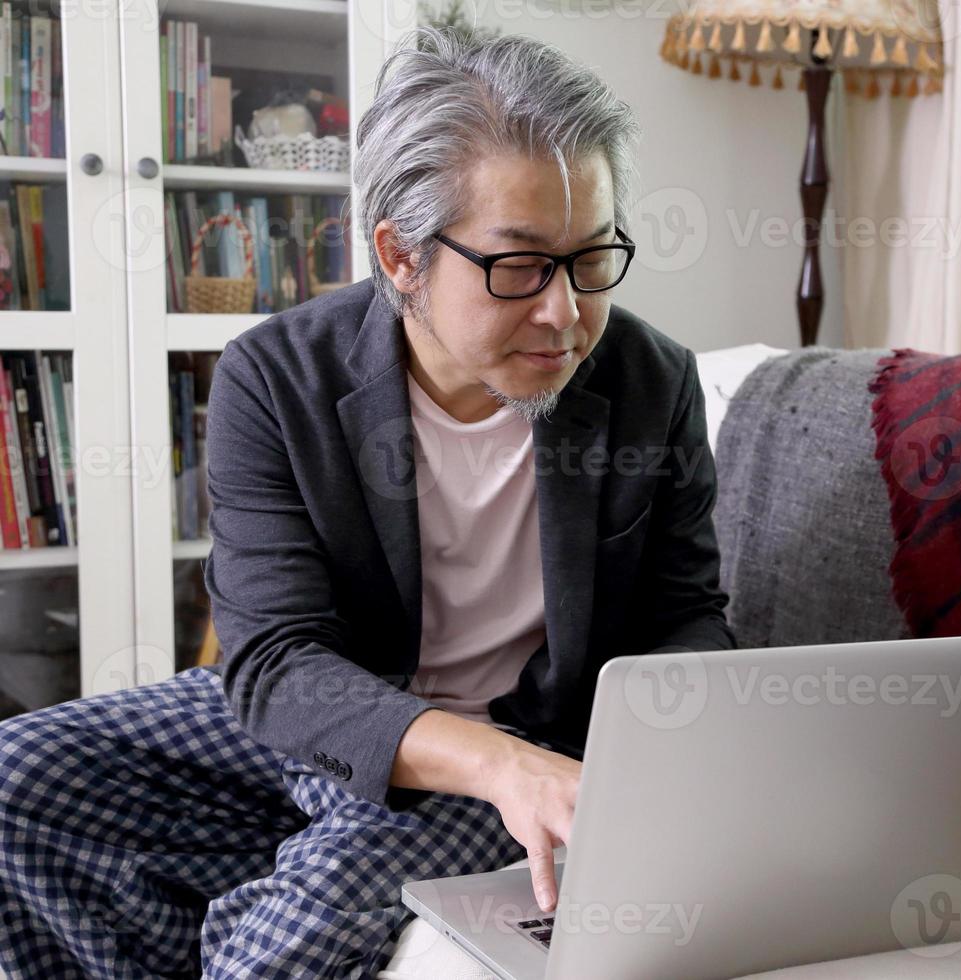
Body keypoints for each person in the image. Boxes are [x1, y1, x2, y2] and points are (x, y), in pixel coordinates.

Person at [0, 25, 734, 979]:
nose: (565, 313)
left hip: (525, 732)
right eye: (518, 267)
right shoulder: (277, 377)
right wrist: (488, 764)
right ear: (400, 256)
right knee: (18, 777)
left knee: (324, 898)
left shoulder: (648, 381)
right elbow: (271, 662)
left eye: (591, 258)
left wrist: (618, 763)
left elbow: (687, 620)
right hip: (345, 704)